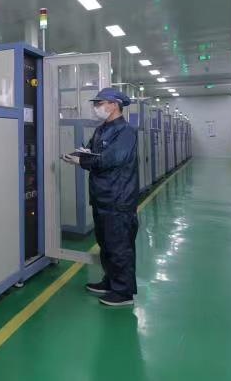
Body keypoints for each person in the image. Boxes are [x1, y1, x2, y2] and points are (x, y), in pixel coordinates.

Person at [62, 88, 139, 307]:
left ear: (114, 105)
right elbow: (92, 154)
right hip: (101, 196)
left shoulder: (126, 131)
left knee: (119, 246)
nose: (96, 107)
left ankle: (123, 292)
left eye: (100, 103)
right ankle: (111, 281)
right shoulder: (101, 130)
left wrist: (82, 161)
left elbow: (112, 159)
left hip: (118, 198)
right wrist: (79, 155)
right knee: (106, 243)